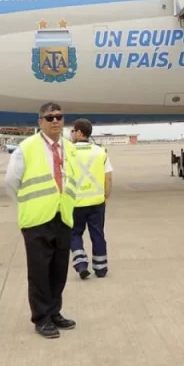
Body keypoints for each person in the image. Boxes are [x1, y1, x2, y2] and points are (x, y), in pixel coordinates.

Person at [4, 102, 80, 339]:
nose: (55, 121)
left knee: (59, 270)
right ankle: (41, 318)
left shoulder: (70, 148)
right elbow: (11, 182)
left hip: (63, 217)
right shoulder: (26, 148)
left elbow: (73, 178)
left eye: (59, 117)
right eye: (49, 118)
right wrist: (28, 205)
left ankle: (55, 312)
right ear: (40, 122)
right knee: (39, 273)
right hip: (37, 220)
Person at [68, 118, 112, 279]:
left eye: (72, 131)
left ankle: (80, 264)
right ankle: (101, 268)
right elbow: (108, 178)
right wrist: (105, 197)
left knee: (74, 234)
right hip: (97, 202)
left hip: (75, 203)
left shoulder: (68, 152)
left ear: (79, 133)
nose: (71, 134)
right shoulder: (101, 152)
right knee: (98, 235)